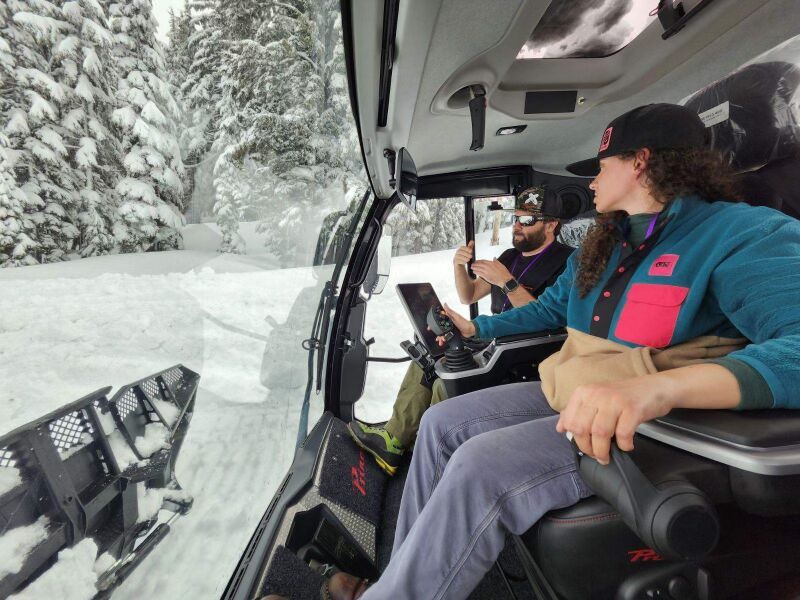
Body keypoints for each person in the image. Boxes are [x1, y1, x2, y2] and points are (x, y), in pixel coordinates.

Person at [274, 102, 800, 600]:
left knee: (481, 463)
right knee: (440, 424)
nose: (592, 181)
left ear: (641, 163)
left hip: (652, 425)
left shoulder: (740, 233)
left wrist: (658, 388)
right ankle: (404, 577)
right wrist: (479, 329)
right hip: (573, 391)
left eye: (601, 165)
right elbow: (549, 312)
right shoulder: (605, 240)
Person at [347, 191, 574, 475]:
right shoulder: (509, 257)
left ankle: (433, 457)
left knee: (447, 382)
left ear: (551, 225)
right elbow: (469, 295)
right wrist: (458, 265)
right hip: (490, 340)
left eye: (526, 220)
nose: (517, 226)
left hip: (524, 353)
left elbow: (546, 317)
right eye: (515, 219)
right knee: (430, 355)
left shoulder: (566, 263)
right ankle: (394, 441)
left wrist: (506, 282)